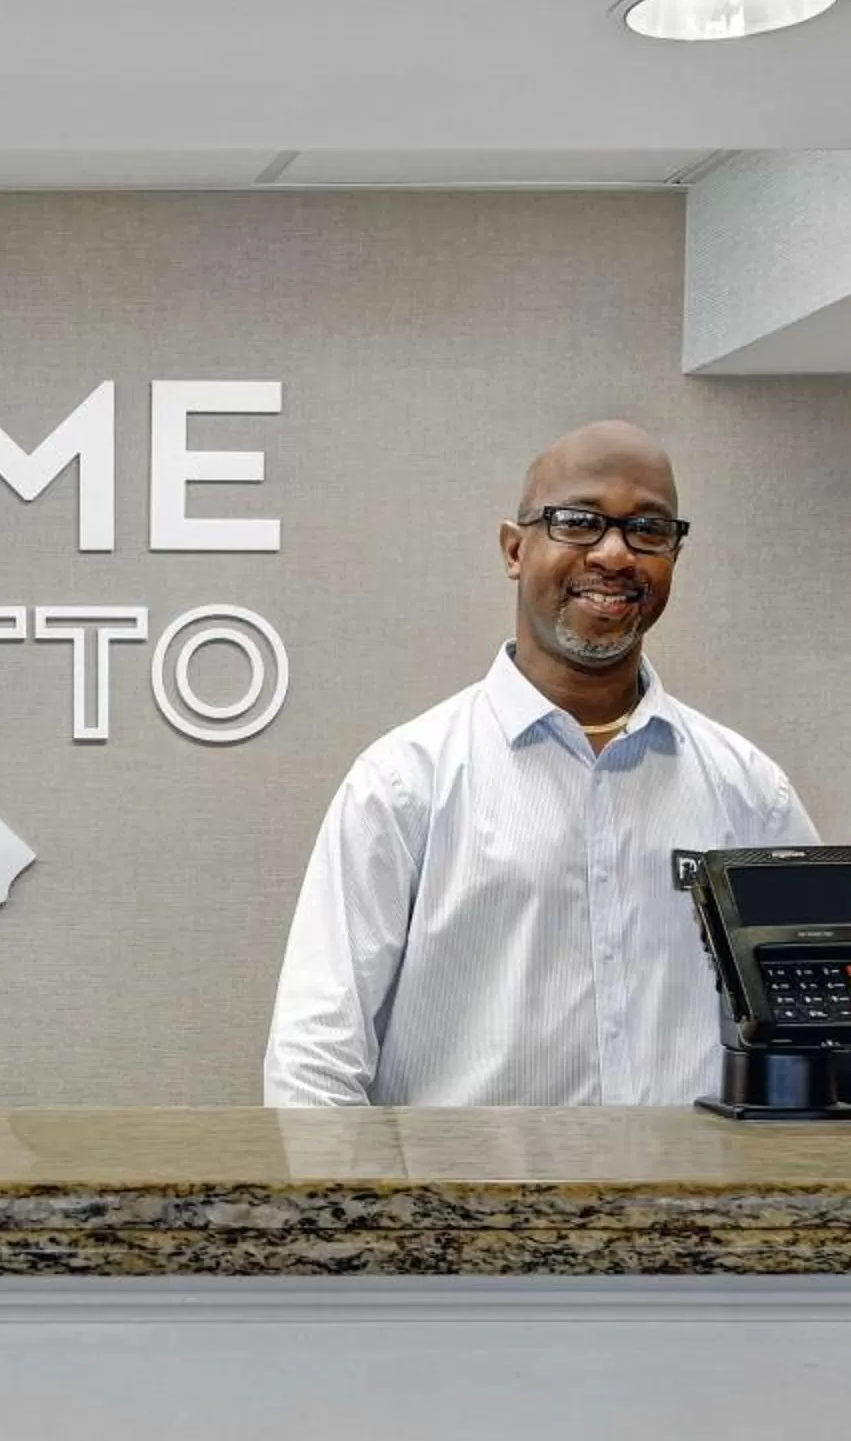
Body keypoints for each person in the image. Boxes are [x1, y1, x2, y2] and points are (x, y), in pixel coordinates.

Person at [261, 419, 817, 1106]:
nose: (616, 555)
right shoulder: (405, 783)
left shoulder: (751, 793)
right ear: (515, 549)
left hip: (693, 1211)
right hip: (460, 1212)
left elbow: (808, 1043)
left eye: (649, 530)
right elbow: (313, 1063)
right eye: (579, 521)